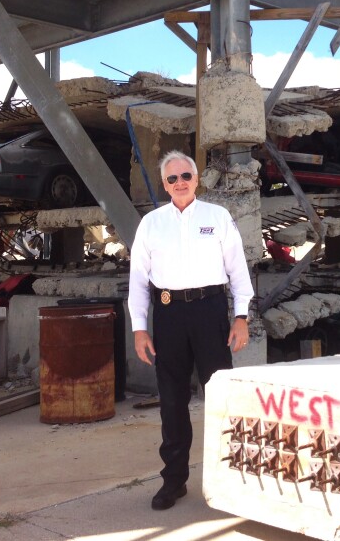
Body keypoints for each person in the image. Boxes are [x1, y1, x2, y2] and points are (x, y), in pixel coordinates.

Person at [128, 150, 253, 511]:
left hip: (209, 312)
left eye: (186, 176)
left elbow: (238, 272)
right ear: (165, 185)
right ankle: (174, 481)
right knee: (172, 401)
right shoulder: (151, 224)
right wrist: (140, 328)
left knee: (220, 396)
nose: (180, 183)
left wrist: (241, 316)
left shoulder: (218, 217)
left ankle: (230, 480)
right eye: (172, 178)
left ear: (196, 179)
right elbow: (137, 281)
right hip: (168, 316)